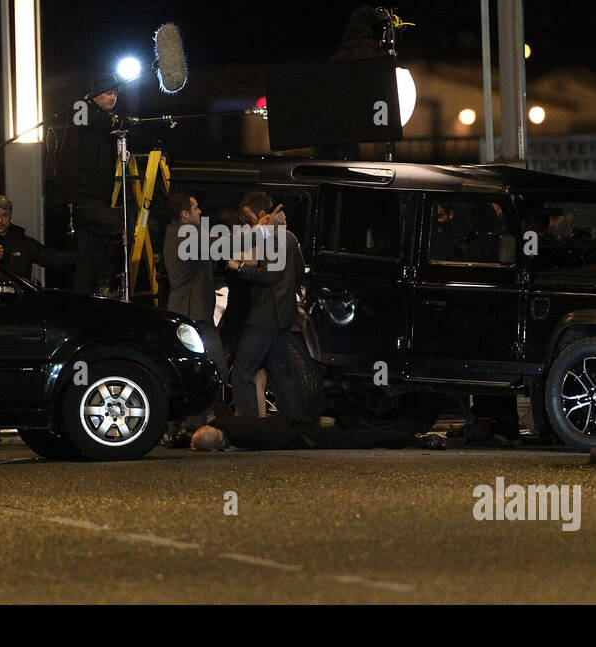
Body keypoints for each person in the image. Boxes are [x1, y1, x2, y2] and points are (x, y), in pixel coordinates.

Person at [226, 191, 307, 421]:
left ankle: (251, 425)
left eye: (248, 216)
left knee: (242, 371)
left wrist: (239, 266)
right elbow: (299, 270)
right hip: (284, 315)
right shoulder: (290, 237)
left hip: (264, 316)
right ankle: (298, 422)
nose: (247, 222)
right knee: (280, 371)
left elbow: (269, 275)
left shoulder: (271, 238)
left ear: (261, 214)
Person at [163, 191, 231, 446]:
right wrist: (262, 232)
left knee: (199, 368)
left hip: (192, 312)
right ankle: (192, 425)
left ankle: (187, 424)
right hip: (192, 315)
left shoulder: (180, 235)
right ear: (184, 215)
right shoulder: (184, 235)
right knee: (213, 366)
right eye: (195, 208)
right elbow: (221, 243)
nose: (200, 212)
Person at [61, 73, 127, 295]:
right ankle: (109, 280)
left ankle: (89, 295)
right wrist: (116, 122)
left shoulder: (104, 120)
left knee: (88, 257)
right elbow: (86, 120)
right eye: (108, 92)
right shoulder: (81, 108)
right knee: (121, 229)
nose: (113, 98)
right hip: (82, 198)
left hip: (99, 199)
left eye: (116, 93)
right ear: (96, 93)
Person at [189, 416, 448, 452]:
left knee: (364, 438)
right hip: (306, 432)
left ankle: (416, 439)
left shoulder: (241, 435)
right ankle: (414, 437)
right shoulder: (230, 424)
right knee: (364, 435)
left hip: (308, 437)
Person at [0, 194, 75, 283]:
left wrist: (83, 257)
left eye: (4, 215)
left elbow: (54, 259)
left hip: (18, 300)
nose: (0, 220)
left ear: (10, 215)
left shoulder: (23, 242)